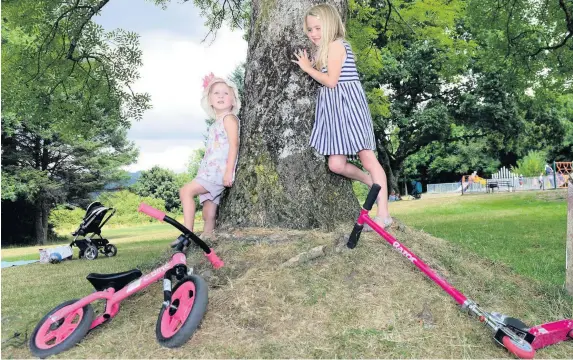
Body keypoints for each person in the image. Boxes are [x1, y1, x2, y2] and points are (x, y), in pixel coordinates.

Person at [292, 3, 392, 230]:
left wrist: (307, 68)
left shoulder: (337, 45)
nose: (314, 34)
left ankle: (383, 214)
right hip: (334, 112)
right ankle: (371, 183)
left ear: (330, 26)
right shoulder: (324, 50)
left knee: (368, 158)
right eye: (310, 30)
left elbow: (331, 81)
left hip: (350, 107)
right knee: (336, 164)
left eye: (318, 28)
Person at [176, 73, 240, 244]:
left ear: (233, 101)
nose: (220, 96)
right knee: (208, 214)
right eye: (216, 93)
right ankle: (208, 239)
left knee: (186, 191)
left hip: (217, 173)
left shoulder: (229, 119)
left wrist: (228, 172)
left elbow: (234, 144)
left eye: (226, 93)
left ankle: (187, 234)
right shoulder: (215, 124)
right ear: (210, 101)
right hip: (209, 171)